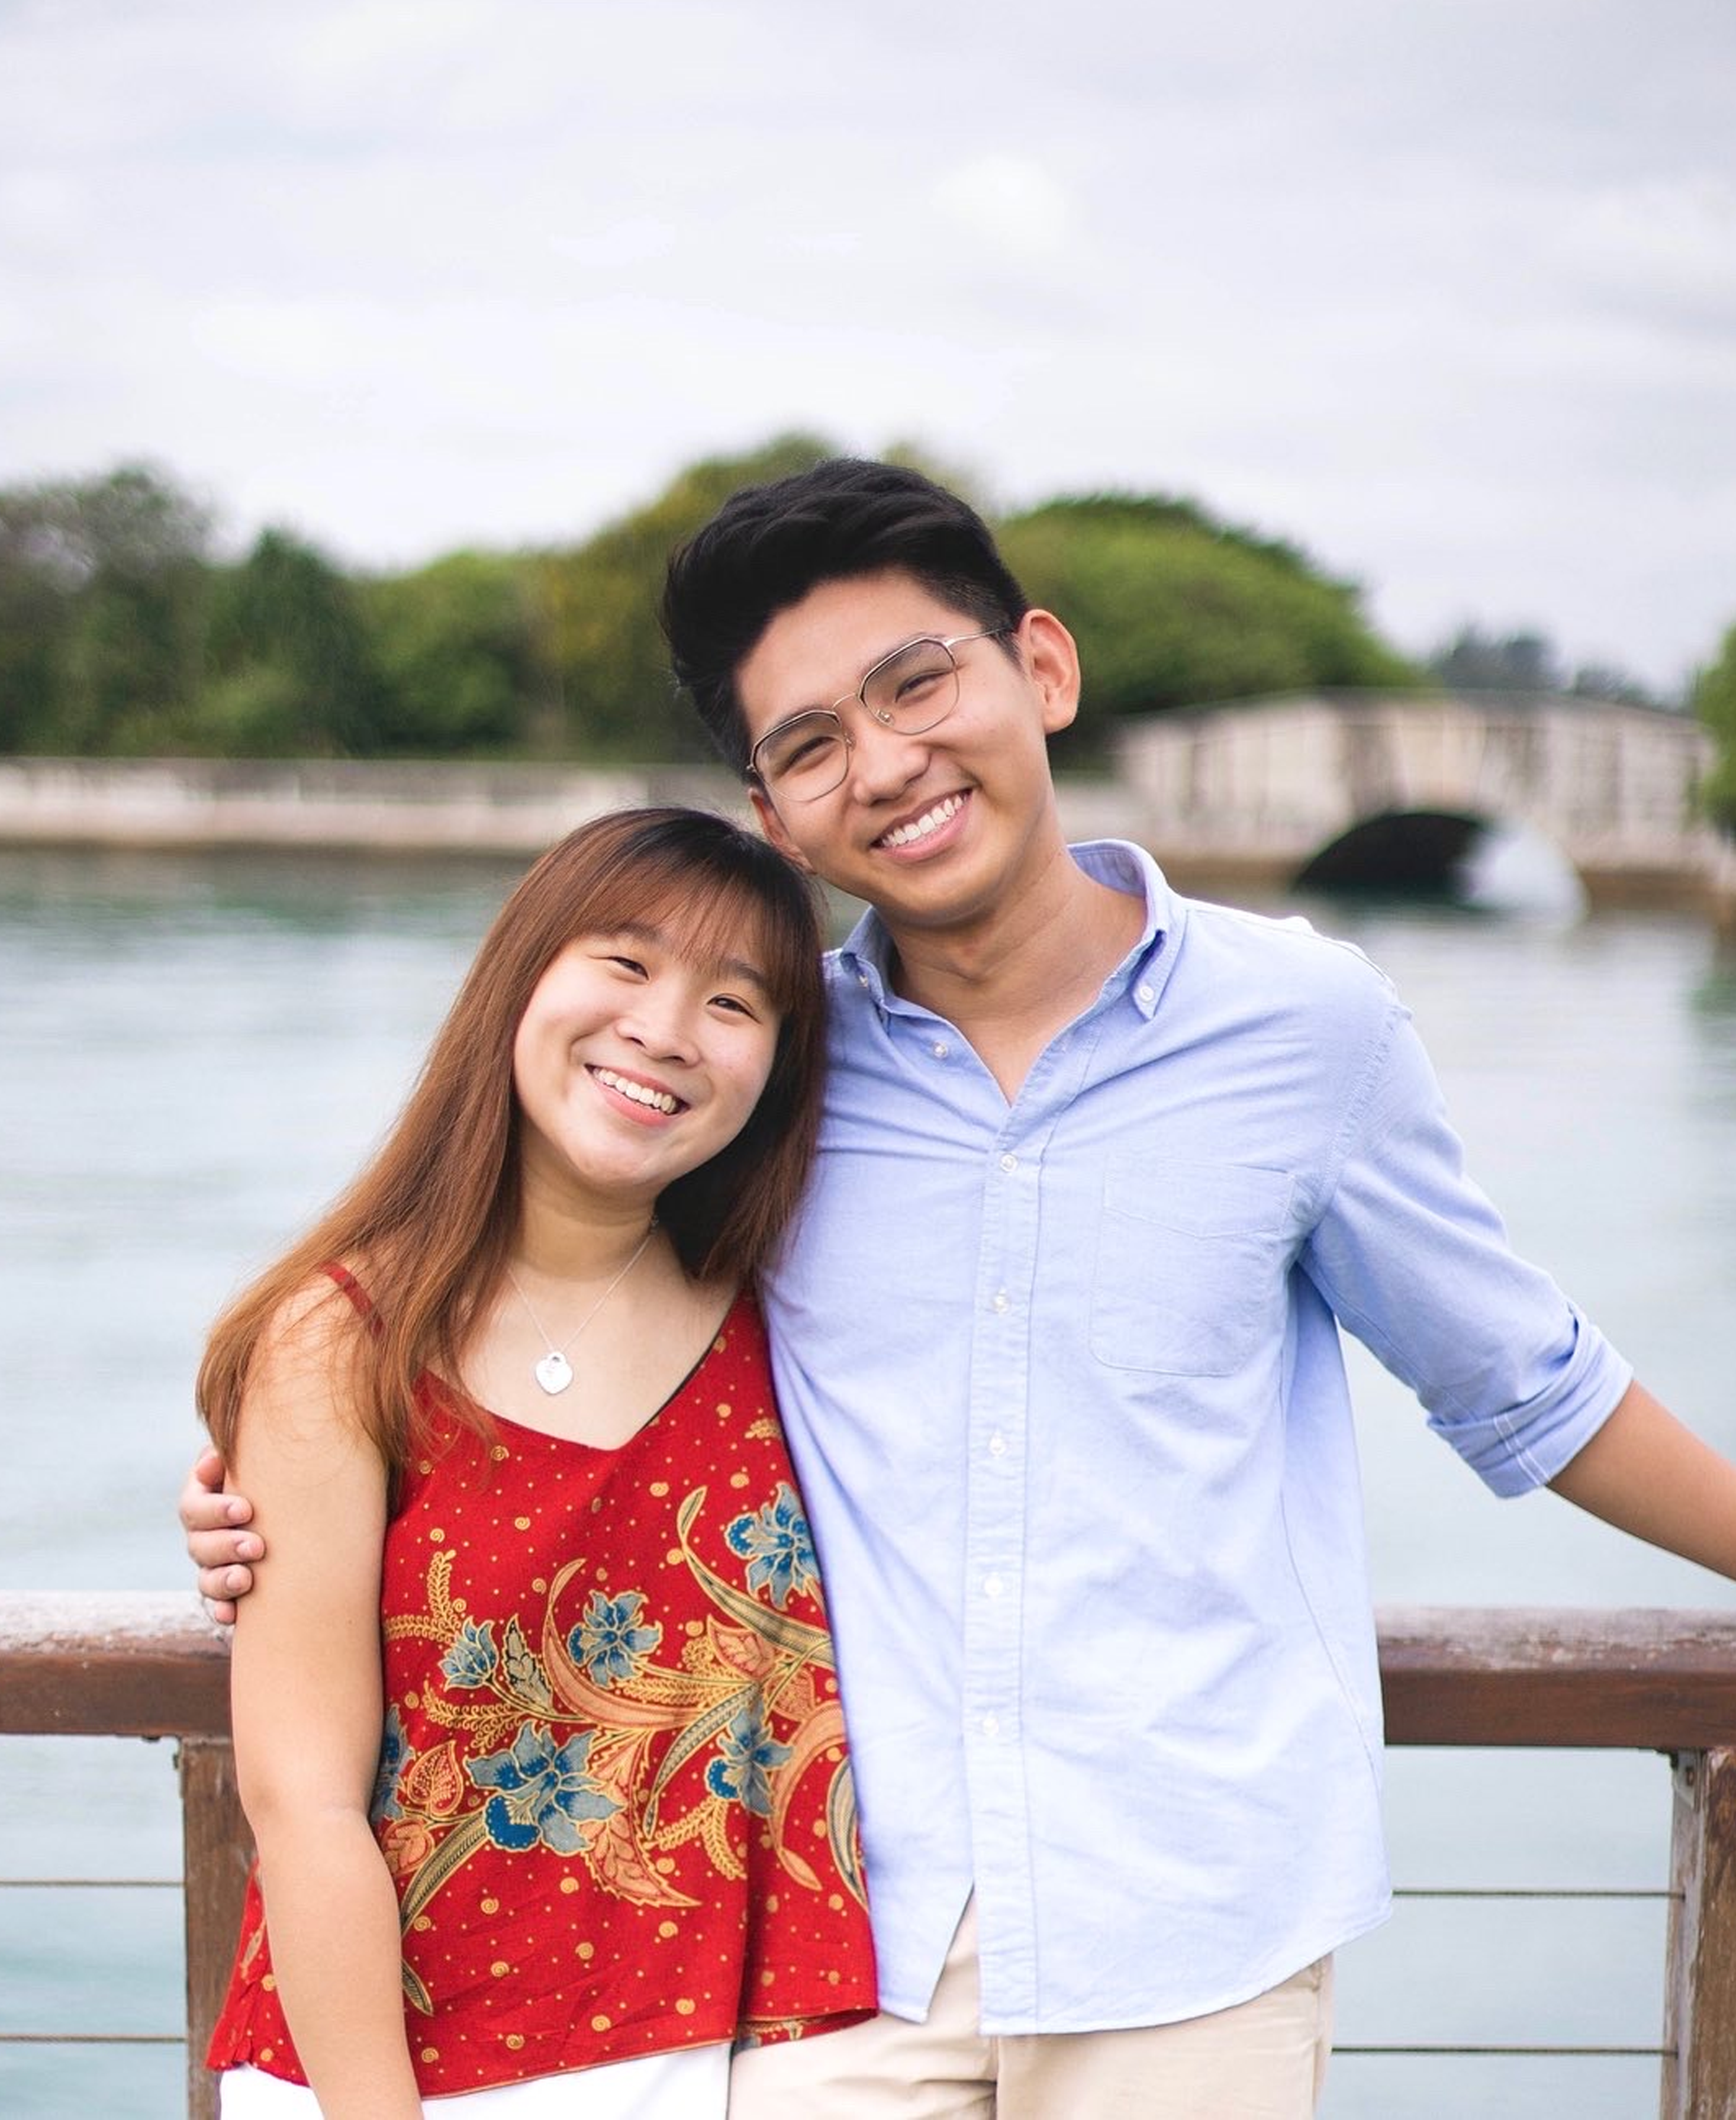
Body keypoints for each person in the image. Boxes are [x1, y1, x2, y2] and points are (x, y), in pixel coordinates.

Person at [187, 460, 1736, 2119]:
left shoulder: (1307, 1032)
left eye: (918, 682)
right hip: (828, 1965)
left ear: (1040, 671)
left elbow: (1528, 1386)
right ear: (774, 817)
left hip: (1195, 1935)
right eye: (808, 745)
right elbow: (536, 1310)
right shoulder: (759, 1075)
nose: (888, 765)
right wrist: (287, 1479)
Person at [192, 806, 875, 2119]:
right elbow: (303, 1804)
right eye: (624, 963)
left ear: (779, 1070)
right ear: (521, 979)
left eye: (734, 1004)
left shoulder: (786, 1322)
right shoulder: (346, 1342)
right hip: (386, 2073)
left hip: (727, 2066)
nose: (666, 1031)